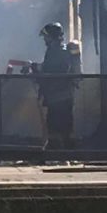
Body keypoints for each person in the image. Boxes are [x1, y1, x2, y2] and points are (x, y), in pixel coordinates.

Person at [32, 22, 77, 151]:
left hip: (59, 94)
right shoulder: (55, 51)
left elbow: (54, 69)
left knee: (58, 123)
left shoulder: (58, 51)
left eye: (46, 37)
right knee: (59, 122)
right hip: (58, 94)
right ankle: (61, 150)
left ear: (51, 37)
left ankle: (60, 151)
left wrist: (37, 68)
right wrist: (36, 67)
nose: (45, 40)